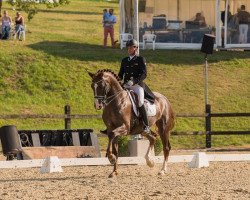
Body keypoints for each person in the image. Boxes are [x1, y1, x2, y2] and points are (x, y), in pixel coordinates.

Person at [118, 39, 155, 134]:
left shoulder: (140, 59)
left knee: (140, 102)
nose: (129, 49)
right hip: (126, 85)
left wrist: (134, 81)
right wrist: (117, 81)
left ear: (136, 48)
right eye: (128, 48)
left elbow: (144, 74)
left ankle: (146, 126)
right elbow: (120, 74)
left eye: (131, 47)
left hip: (137, 86)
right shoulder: (124, 60)